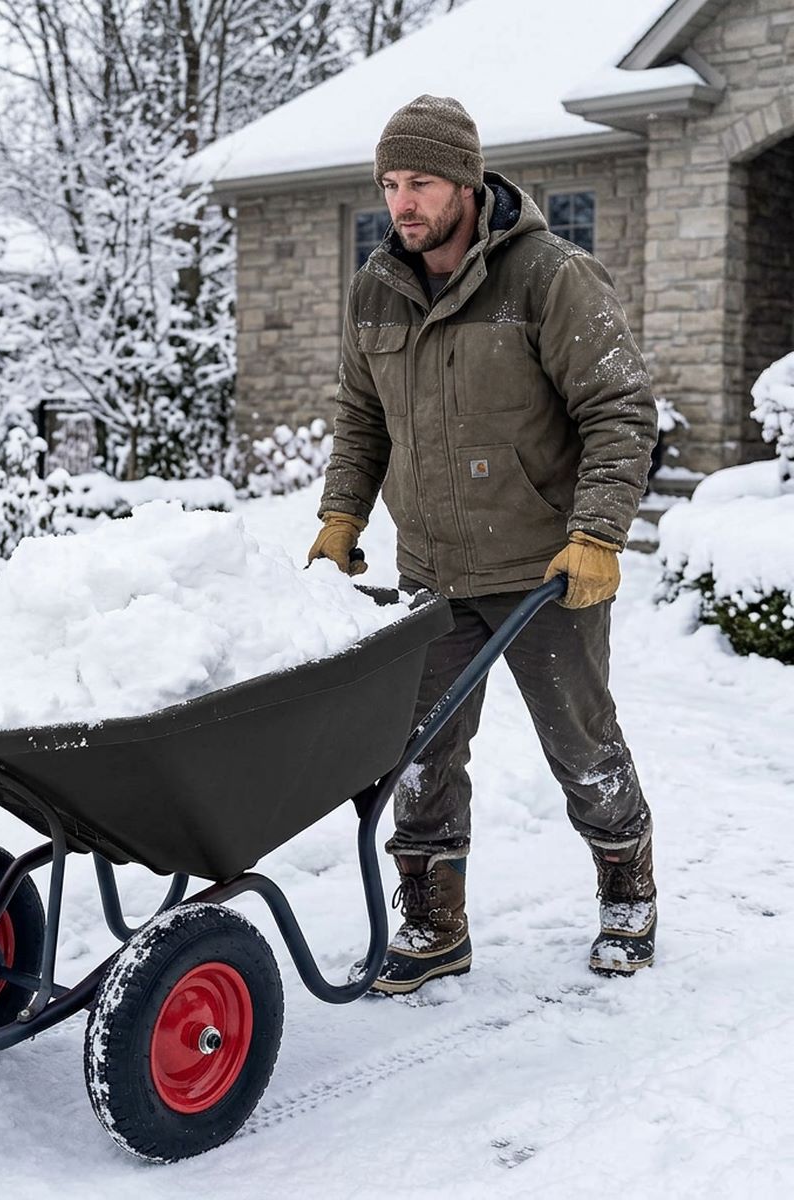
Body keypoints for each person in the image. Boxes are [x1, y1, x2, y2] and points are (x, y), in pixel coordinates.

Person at [307, 95, 658, 994]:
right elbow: (359, 419)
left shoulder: (549, 276)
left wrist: (597, 534)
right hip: (431, 570)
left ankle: (627, 887)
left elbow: (618, 409)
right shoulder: (376, 285)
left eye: (419, 181)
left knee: (581, 743)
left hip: (547, 570)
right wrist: (341, 518)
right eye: (389, 184)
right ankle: (432, 924)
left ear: (465, 181)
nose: (402, 202)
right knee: (418, 751)